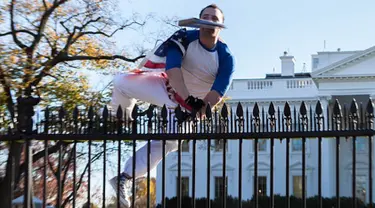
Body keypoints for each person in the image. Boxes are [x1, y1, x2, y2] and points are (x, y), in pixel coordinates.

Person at [108, 4, 235, 207]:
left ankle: (125, 177)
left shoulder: (226, 57)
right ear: (199, 19)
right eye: (206, 16)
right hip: (167, 88)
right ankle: (120, 117)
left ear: (219, 25)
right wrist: (187, 97)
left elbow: (216, 94)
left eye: (214, 18)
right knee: (121, 81)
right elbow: (173, 70)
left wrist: (196, 111)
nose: (209, 20)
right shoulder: (184, 38)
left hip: (190, 109)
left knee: (170, 141)